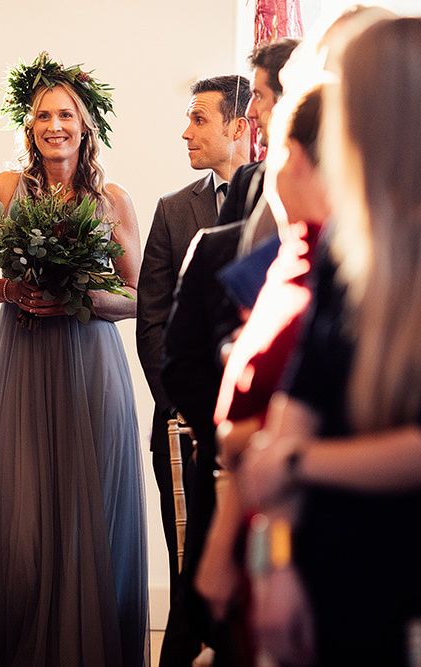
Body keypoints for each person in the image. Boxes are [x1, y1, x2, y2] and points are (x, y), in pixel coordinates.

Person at [239, 17, 421, 666]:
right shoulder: (345, 260)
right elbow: (291, 416)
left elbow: (281, 456)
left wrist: (296, 463)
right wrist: (274, 563)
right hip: (329, 580)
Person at [0, 52, 148, 666]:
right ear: (29, 124)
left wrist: (86, 296)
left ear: (86, 122)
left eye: (66, 113)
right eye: (43, 114)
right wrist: (11, 289)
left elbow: (140, 296)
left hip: (91, 363)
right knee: (21, 530)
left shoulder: (111, 199)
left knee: (86, 515)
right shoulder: (2, 191)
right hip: (22, 362)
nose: (54, 125)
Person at [195, 85, 326, 654]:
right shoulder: (292, 256)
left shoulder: (335, 270)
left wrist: (270, 560)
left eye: (277, 148)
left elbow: (291, 429)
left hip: (308, 547)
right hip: (256, 526)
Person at [136, 75, 250, 667]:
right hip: (182, 425)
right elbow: (152, 319)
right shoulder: (174, 211)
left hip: (254, 433)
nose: (186, 131)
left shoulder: (272, 201)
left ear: (238, 127)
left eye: (200, 119)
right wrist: (179, 402)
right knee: (189, 573)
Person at [216, 38, 300, 249]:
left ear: (287, 99)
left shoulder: (348, 181)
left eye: (258, 96)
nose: (249, 111)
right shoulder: (246, 180)